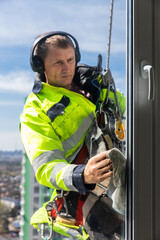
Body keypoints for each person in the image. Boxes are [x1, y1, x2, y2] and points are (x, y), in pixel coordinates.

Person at [20, 31, 126, 240]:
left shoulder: (91, 86)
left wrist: (102, 90)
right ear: (41, 67)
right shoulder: (35, 112)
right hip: (93, 197)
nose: (67, 67)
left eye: (70, 59)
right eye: (58, 62)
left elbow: (128, 109)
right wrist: (81, 175)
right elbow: (46, 167)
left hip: (126, 166)